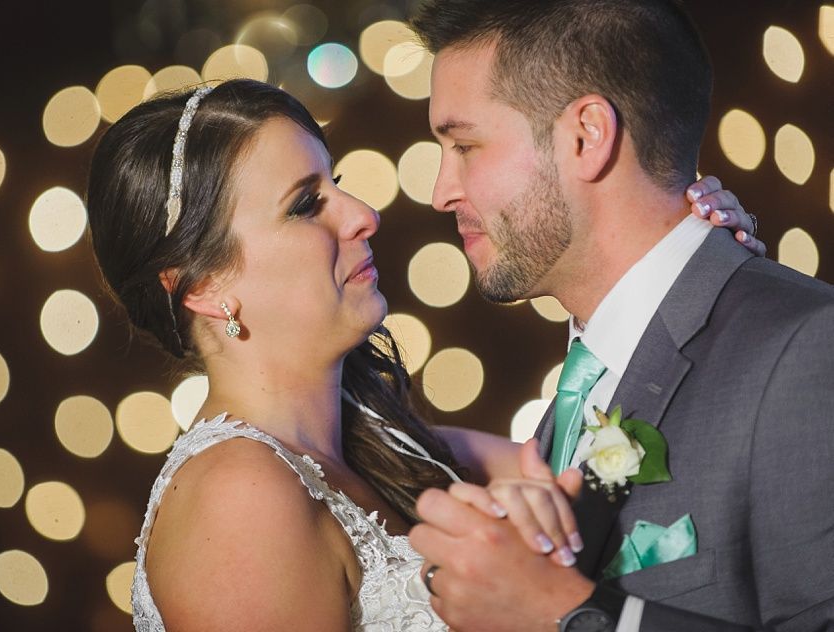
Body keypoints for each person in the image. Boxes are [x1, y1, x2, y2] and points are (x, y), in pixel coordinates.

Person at [85, 80, 758, 630]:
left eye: (336, 182)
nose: (362, 213)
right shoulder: (238, 499)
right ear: (204, 288)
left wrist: (675, 267)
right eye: (306, 205)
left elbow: (628, 466)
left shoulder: (391, 446)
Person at [406, 1, 834, 631]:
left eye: (465, 145)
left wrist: (560, 614)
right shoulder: (584, 382)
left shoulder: (807, 351)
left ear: (587, 136)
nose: (440, 191)